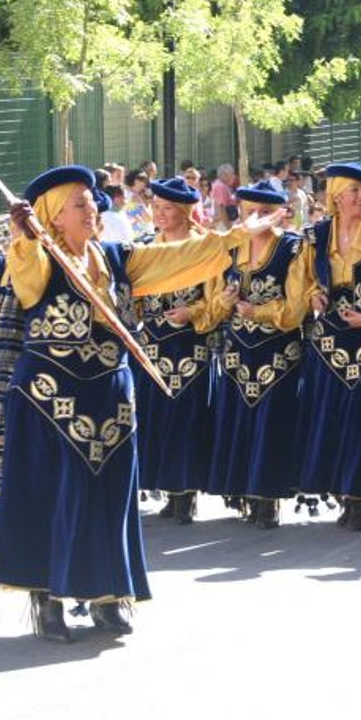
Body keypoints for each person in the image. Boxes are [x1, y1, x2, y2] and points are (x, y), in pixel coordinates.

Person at [0, 166, 252, 641]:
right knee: (53, 496)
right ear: (54, 218)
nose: (92, 208)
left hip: (110, 396)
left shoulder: (117, 258)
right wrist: (24, 236)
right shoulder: (39, 257)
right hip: (48, 399)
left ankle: (106, 595)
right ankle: (48, 598)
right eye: (79, 204)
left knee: (107, 497)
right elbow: (29, 280)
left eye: (92, 201)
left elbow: (180, 256)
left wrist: (239, 235)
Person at [293, 163, 361, 530]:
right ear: (336, 195)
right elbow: (303, 281)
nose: (360, 197)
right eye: (353, 190)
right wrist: (314, 295)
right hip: (326, 343)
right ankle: (339, 489)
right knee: (329, 417)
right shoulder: (315, 236)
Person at [206, 180, 306, 528]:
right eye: (251, 212)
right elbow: (216, 302)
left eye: (266, 212)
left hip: (278, 350)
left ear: (279, 214)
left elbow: (295, 309)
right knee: (239, 418)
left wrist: (257, 312)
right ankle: (244, 489)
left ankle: (268, 496)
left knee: (273, 421)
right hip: (237, 351)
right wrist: (225, 302)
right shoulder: (230, 250)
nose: (258, 218)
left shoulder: (293, 249)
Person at [134, 177, 223, 525]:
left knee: (187, 417)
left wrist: (192, 312)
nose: (160, 214)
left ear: (185, 212)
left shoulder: (205, 248)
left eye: (167, 208)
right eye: (156, 208)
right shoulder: (147, 247)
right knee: (158, 416)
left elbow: (217, 302)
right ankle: (167, 487)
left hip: (190, 345)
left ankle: (187, 492)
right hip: (154, 344)